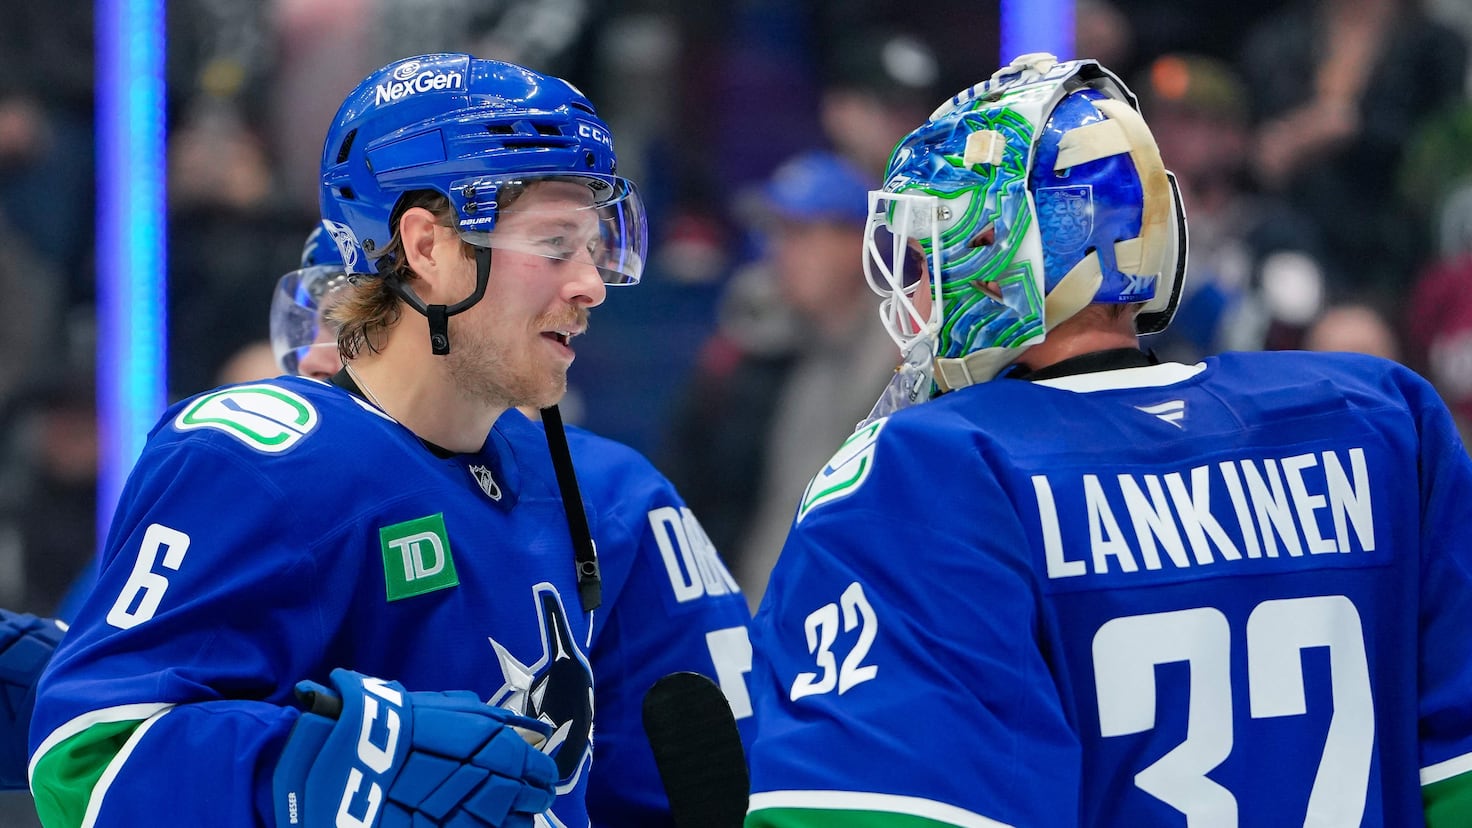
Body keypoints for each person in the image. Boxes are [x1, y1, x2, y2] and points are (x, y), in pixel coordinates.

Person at [743, 53, 1472, 827]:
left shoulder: (930, 472)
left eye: (928, 257)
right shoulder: (1380, 420)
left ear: (999, 253)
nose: (912, 289)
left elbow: (878, 815)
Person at [29, 53, 744, 828]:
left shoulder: (608, 495)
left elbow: (694, 791)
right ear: (429, 248)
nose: (591, 285)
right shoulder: (256, 461)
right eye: (554, 244)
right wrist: (320, 768)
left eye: (597, 245)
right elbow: (88, 757)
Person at [268, 224, 757, 825]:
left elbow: (703, 775)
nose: (327, 352)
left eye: (349, 323)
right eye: (323, 318)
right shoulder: (278, 474)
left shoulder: (610, 494)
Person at [662, 151, 898, 607]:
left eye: (801, 233)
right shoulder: (741, 353)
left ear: (857, 243)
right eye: (776, 233)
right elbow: (690, 493)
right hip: (751, 613)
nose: (780, 252)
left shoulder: (906, 362)